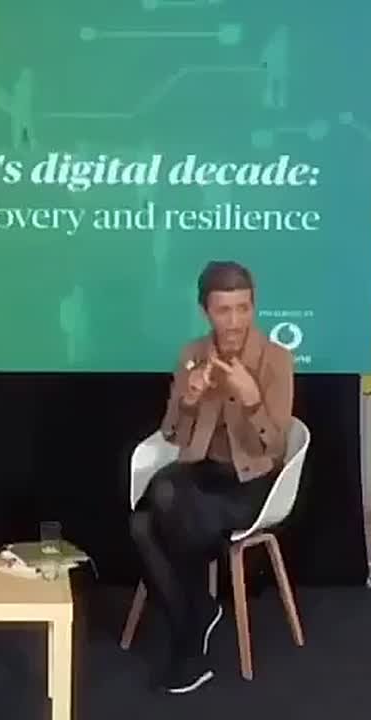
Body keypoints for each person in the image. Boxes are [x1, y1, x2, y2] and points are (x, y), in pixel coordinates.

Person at [129, 260, 294, 693]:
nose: (235, 321)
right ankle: (196, 613)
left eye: (243, 308)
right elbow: (170, 434)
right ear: (206, 311)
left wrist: (252, 400)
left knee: (161, 506)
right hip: (202, 474)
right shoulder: (192, 355)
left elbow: (276, 447)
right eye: (224, 310)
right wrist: (188, 400)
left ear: (254, 307)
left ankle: (189, 640)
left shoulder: (276, 360)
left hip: (253, 483)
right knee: (143, 521)